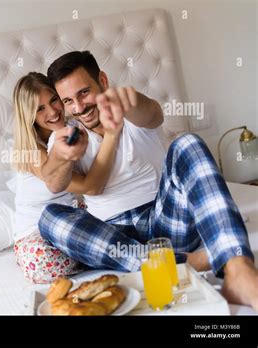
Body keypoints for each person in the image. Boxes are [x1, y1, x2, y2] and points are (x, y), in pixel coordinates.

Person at [38, 50, 258, 310]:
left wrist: (128, 103)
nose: (79, 107)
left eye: (84, 93)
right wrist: (63, 157)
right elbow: (53, 182)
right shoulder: (64, 137)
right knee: (50, 217)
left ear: (103, 81)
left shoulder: (133, 113)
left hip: (166, 223)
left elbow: (152, 113)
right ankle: (187, 263)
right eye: (68, 101)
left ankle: (238, 268)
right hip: (113, 237)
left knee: (187, 142)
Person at [11, 72, 119, 284]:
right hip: (39, 236)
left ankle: (104, 251)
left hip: (73, 222)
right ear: (28, 115)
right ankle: (108, 253)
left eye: (54, 100)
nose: (52, 111)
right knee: (46, 257)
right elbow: (89, 186)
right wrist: (111, 135)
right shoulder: (30, 152)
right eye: (39, 108)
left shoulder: (73, 130)